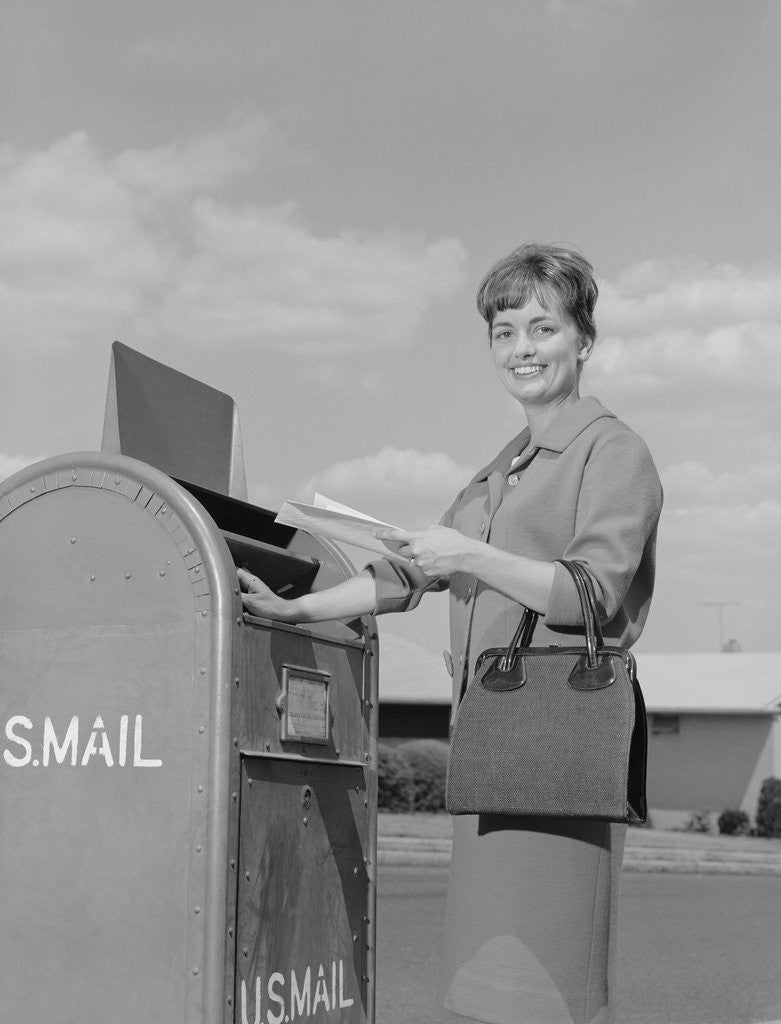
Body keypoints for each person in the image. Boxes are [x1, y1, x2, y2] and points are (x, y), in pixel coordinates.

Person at [239, 242, 663, 1024]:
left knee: (545, 993)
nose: (521, 348)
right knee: (481, 991)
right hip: (490, 745)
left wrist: (468, 551)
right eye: (504, 332)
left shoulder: (612, 451)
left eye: (542, 327)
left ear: (584, 339)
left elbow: (592, 593)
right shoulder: (501, 468)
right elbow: (408, 576)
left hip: (554, 746)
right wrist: (294, 610)